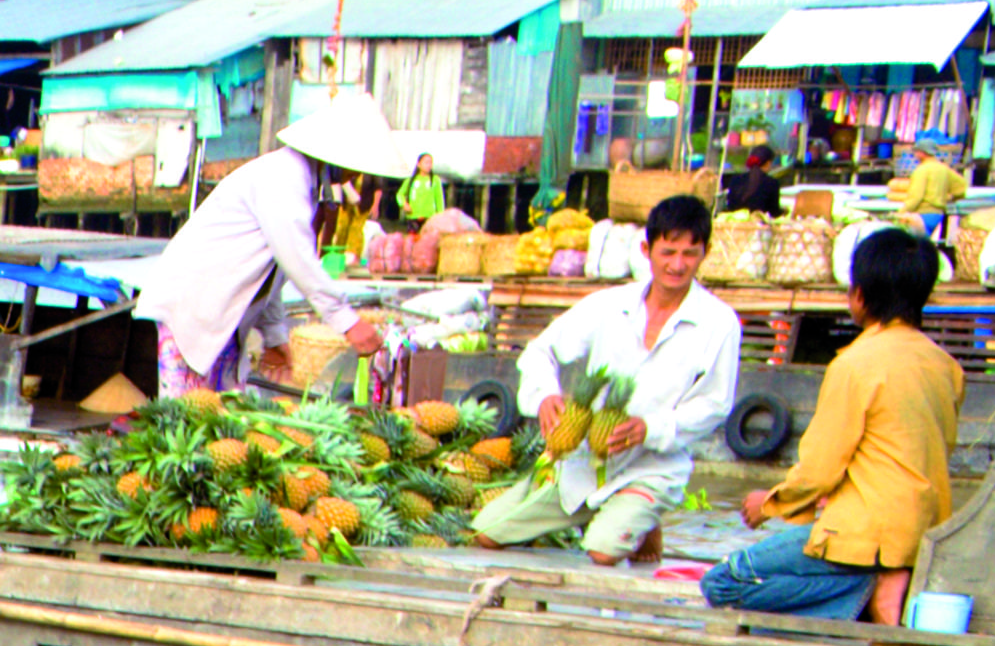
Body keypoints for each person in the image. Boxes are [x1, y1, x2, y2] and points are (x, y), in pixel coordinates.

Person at [703, 228, 958, 622]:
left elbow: (819, 470)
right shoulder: (946, 366)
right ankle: (876, 593)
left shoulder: (854, 365)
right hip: (923, 534)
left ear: (859, 295)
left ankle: (866, 594)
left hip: (865, 537)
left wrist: (769, 503)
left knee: (722, 583)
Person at [475, 194, 737, 564]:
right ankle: (618, 515)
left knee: (602, 551)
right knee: (487, 532)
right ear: (646, 250)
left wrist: (650, 428)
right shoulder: (608, 305)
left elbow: (715, 403)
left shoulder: (719, 322)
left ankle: (639, 517)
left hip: (653, 466)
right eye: (668, 252)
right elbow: (540, 350)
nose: (677, 265)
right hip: (585, 462)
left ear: (704, 253)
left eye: (689, 254)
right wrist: (545, 395)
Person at [133, 92, 410, 400]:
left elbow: (272, 267)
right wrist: (346, 321)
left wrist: (274, 334)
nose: (356, 174)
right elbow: (298, 259)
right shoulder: (285, 177)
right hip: (193, 308)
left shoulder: (301, 182)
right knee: (189, 415)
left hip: (219, 315)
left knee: (224, 417)